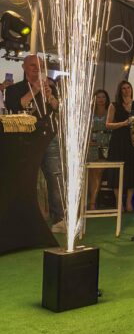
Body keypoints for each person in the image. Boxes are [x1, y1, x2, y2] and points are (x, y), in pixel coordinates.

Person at [4, 55, 63, 230]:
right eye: (33, 65)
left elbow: (57, 107)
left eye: (40, 65)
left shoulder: (50, 86)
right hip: (25, 139)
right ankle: (25, 218)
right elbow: (15, 106)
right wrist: (35, 90)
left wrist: (50, 96)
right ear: (24, 67)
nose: (37, 68)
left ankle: (59, 218)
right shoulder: (14, 89)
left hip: (49, 137)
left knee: (55, 176)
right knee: (26, 178)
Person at [105, 81, 134, 212]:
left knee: (132, 170)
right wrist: (123, 123)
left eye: (128, 88)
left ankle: (128, 202)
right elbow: (108, 124)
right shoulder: (114, 105)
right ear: (120, 90)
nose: (126, 90)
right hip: (118, 141)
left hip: (133, 141)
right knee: (117, 171)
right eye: (123, 88)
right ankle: (119, 203)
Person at [86, 90, 111, 210]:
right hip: (91, 145)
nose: (101, 99)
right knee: (91, 174)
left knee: (98, 172)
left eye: (103, 97)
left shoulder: (110, 111)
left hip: (105, 145)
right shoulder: (89, 112)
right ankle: (90, 200)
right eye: (98, 97)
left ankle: (92, 202)